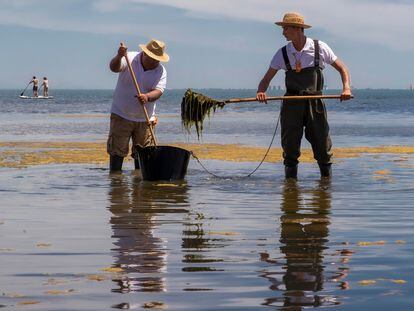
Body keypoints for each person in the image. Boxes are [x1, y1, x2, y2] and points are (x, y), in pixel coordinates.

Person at [257, 12, 352, 179]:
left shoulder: (319, 47)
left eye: (285, 28)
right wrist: (261, 92)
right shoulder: (282, 53)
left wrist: (346, 89)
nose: (283, 32)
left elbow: (342, 69)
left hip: (315, 103)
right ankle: (291, 192)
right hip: (291, 104)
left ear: (296, 29)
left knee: (322, 145)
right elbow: (265, 79)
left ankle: (325, 190)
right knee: (290, 148)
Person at [107, 39, 169, 172]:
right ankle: (116, 183)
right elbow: (114, 68)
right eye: (152, 58)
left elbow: (158, 91)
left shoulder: (160, 71)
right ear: (144, 53)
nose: (154, 62)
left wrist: (147, 97)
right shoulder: (129, 58)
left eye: (157, 60)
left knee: (142, 155)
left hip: (145, 119)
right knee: (117, 152)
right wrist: (119, 56)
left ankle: (139, 186)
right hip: (121, 114)